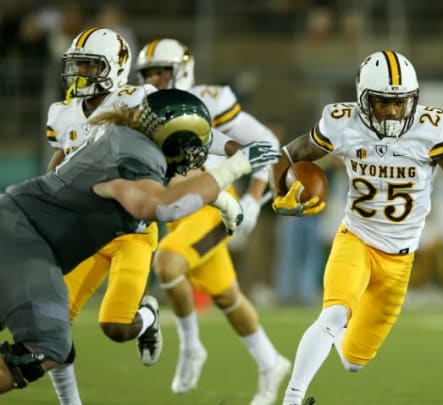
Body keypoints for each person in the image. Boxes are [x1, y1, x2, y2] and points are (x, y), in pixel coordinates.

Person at [0, 87, 280, 395]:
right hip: (27, 240)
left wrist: (225, 202)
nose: (197, 158)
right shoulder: (132, 157)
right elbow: (160, 205)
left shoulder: (132, 135)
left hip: (19, 229)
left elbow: (170, 173)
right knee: (49, 344)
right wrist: (236, 166)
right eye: (192, 149)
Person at [271, 50, 443, 405]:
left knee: (354, 361)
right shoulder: (342, 123)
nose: (392, 111)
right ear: (362, 99)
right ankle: (292, 399)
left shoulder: (433, 129)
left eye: (400, 102)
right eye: (382, 102)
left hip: (400, 260)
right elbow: (288, 153)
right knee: (333, 314)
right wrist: (278, 191)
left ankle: (337, 343)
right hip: (356, 238)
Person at [136, 38, 290, 405]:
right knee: (226, 295)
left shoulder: (210, 99)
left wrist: (254, 198)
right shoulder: (142, 108)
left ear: (182, 68)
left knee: (168, 262)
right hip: (178, 213)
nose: (156, 79)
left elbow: (265, 143)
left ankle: (190, 347)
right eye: (150, 73)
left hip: (216, 209)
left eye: (162, 71)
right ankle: (271, 362)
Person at [44, 27, 162, 405]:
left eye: (89, 66)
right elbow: (63, 155)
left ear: (115, 68)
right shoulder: (63, 113)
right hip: (86, 232)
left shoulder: (137, 101)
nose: (79, 73)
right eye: (77, 64)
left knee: (115, 326)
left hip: (132, 231)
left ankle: (147, 317)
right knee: (51, 325)